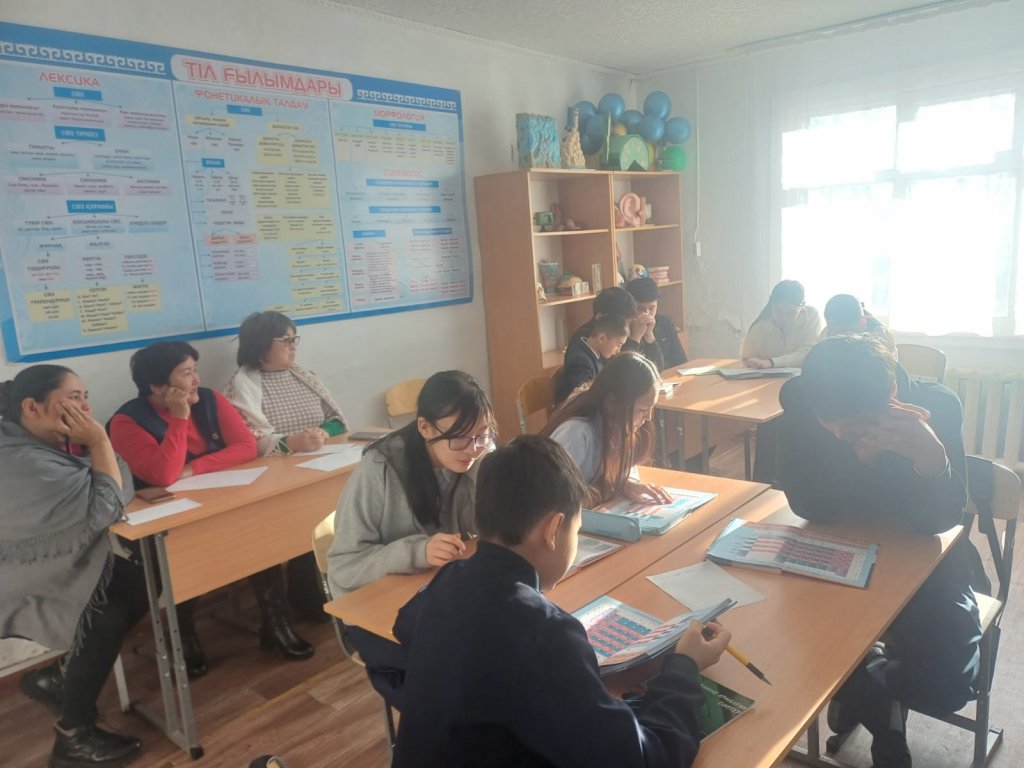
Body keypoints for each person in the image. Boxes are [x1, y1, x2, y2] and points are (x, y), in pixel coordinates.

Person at [391, 434, 731, 767]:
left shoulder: (450, 579)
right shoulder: (546, 635)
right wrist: (684, 667)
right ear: (553, 530)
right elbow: (643, 759)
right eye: (576, 528)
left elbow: (405, 625)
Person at [778, 335, 984, 768]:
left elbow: (939, 523)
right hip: (835, 552)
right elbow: (807, 504)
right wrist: (858, 458)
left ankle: (867, 683)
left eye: (854, 422)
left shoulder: (936, 405)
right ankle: (882, 711)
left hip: (923, 560)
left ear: (890, 393)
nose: (839, 432)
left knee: (950, 685)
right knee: (787, 645)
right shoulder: (803, 398)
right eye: (829, 423)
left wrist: (931, 458)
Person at [109, 341, 313, 678]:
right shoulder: (126, 422)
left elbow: (246, 447)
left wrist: (194, 468)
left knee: (260, 533)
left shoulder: (211, 400)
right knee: (184, 554)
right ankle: (183, 635)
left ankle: (276, 624)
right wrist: (179, 418)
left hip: (220, 503)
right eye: (186, 373)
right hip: (164, 522)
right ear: (158, 386)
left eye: (195, 371)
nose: (196, 380)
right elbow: (162, 474)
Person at [1, 365, 144, 767]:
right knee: (105, 615)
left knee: (139, 580)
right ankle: (73, 737)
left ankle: (60, 676)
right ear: (32, 407)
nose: (86, 408)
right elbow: (109, 502)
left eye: (86, 396)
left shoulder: (50, 444)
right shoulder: (18, 460)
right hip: (18, 577)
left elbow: (119, 484)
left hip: (49, 564)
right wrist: (99, 442)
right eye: (75, 398)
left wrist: (99, 457)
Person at [224, 310, 348, 621]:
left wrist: (323, 433)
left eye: (295, 340)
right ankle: (296, 600)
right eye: (286, 340)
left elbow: (336, 420)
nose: (293, 346)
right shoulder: (242, 385)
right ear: (261, 345)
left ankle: (316, 587)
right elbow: (248, 440)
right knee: (292, 527)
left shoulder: (304, 376)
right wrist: (291, 442)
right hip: (273, 478)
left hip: (318, 468)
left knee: (332, 516)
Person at [543, 351, 671, 505]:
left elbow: (621, 472)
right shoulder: (576, 433)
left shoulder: (618, 424)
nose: (648, 417)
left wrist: (626, 483)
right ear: (612, 402)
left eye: (651, 408)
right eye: (642, 410)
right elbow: (554, 497)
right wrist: (605, 490)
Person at [741, 279, 821, 369]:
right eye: (778, 311)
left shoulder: (811, 316)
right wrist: (753, 363)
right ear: (771, 306)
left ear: (802, 307)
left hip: (802, 376)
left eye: (791, 313)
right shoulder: (759, 328)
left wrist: (771, 362)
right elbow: (747, 360)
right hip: (765, 377)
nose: (783, 318)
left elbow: (809, 353)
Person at [554, 313, 628, 404]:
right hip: (575, 409)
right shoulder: (581, 361)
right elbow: (583, 398)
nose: (618, 351)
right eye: (618, 345)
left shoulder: (592, 352)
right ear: (602, 338)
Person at [624, 276, 689, 370]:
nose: (647, 313)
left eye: (651, 308)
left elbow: (680, 361)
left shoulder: (665, 323)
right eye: (640, 308)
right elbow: (625, 368)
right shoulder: (622, 328)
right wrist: (636, 336)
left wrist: (649, 335)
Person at [822, 293, 897, 354]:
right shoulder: (825, 334)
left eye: (848, 335)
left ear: (863, 322)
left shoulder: (882, 340)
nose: (843, 341)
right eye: (837, 336)